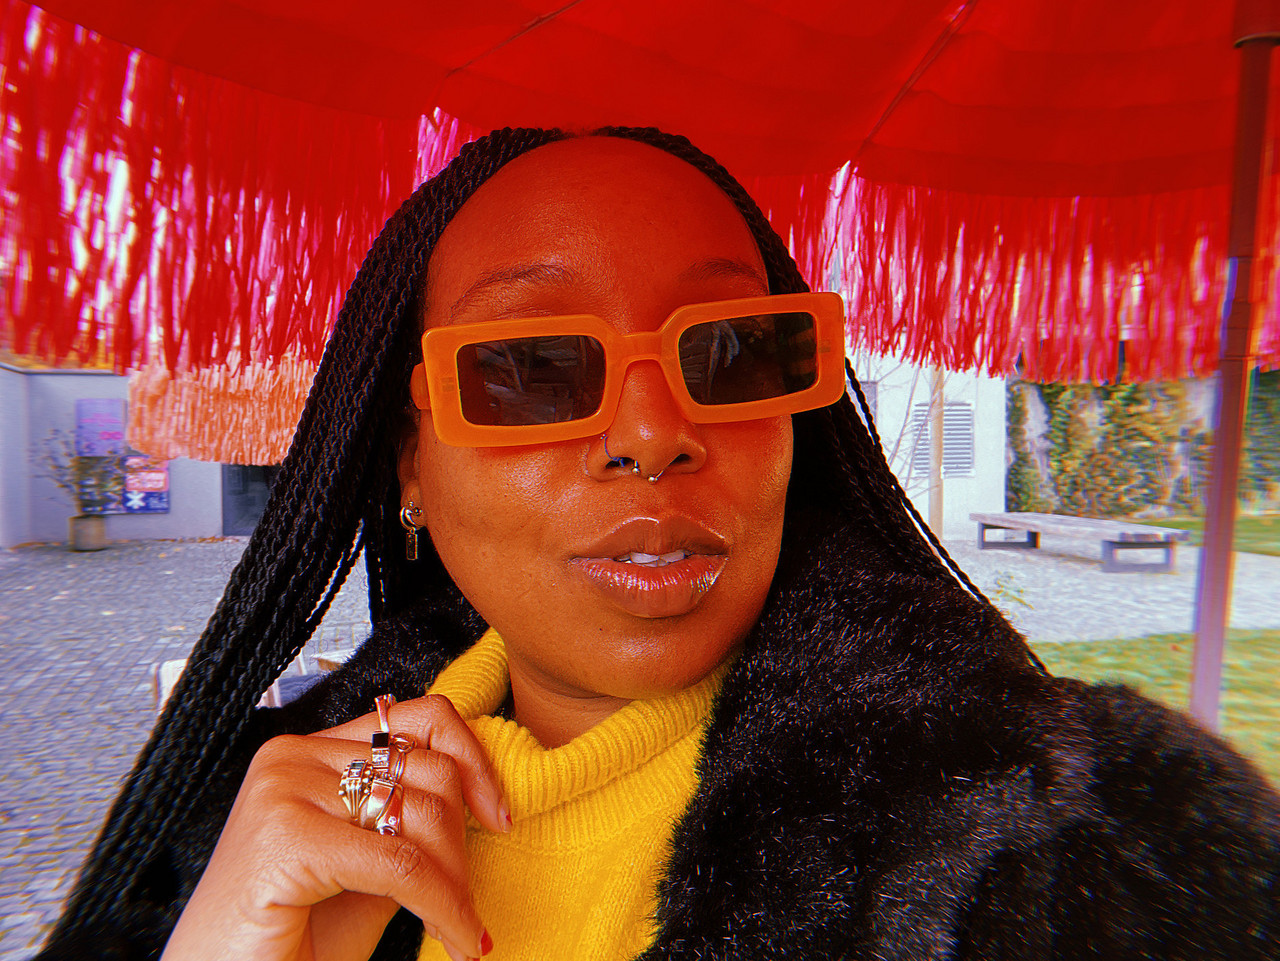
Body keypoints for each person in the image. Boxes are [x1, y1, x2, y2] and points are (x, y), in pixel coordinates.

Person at [38, 127, 1278, 961]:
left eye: (730, 352)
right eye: (532, 367)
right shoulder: (245, 830)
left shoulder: (1094, 845)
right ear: (410, 459)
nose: (651, 433)